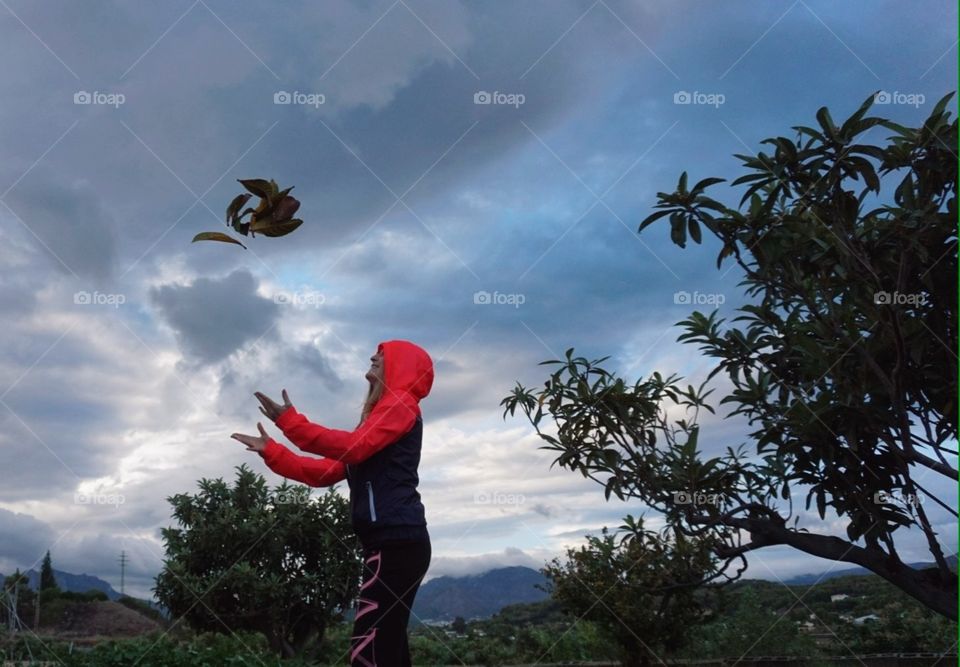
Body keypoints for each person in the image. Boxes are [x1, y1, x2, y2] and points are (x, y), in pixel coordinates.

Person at [232, 339, 434, 667]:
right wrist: (272, 451)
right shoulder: (381, 421)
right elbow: (327, 471)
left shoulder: (401, 403)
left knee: (369, 649)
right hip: (394, 543)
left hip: (396, 542)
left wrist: (291, 423)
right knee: (388, 648)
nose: (372, 357)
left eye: (382, 355)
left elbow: (351, 449)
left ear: (403, 366)